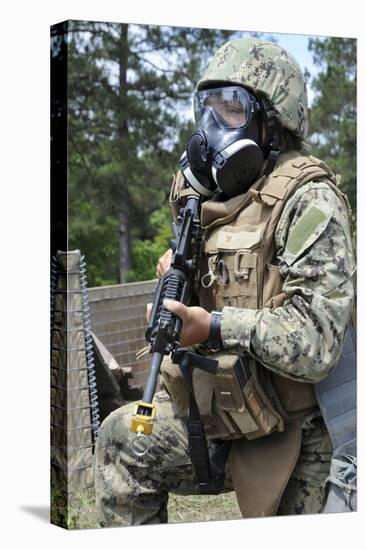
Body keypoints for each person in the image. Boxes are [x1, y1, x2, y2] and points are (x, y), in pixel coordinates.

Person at [93, 37, 356, 526]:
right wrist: (175, 300)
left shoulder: (310, 201)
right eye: (208, 109)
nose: (213, 126)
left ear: (271, 121)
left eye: (231, 110)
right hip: (227, 409)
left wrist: (212, 326)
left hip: (304, 429)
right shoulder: (214, 197)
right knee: (122, 441)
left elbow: (317, 341)